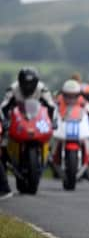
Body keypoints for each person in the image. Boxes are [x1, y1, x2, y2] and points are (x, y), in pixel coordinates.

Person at [0, 67, 57, 198]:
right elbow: (3, 106)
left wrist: (52, 121)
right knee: (3, 147)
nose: (28, 87)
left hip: (35, 120)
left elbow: (51, 106)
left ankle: (50, 156)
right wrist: (5, 121)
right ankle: (3, 183)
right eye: (25, 84)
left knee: (52, 137)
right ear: (20, 82)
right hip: (18, 119)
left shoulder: (42, 89)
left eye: (31, 84)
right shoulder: (13, 89)